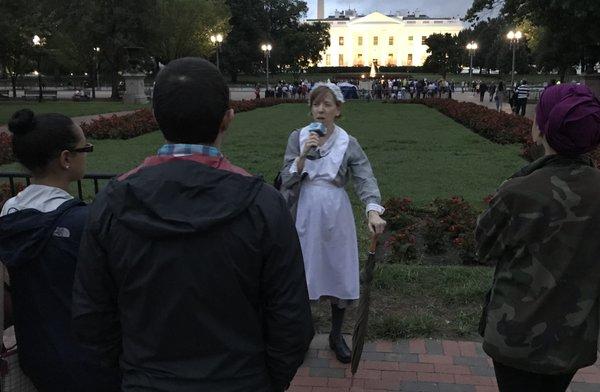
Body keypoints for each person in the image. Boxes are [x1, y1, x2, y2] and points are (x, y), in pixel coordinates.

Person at [71, 57, 314, 392]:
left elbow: (92, 318)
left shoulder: (110, 204)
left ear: (156, 117)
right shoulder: (264, 206)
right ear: (228, 118)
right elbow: (292, 322)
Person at [476, 84, 600, 392]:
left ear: (541, 129)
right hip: (574, 336)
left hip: (515, 336)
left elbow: (483, 245)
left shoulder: (520, 190)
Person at [0, 109, 120, 392]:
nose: (87, 154)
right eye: (85, 148)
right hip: (88, 360)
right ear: (66, 158)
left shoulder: (9, 212)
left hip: (37, 354)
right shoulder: (82, 222)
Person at [279, 82, 386, 363]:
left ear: (338, 110)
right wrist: (302, 155)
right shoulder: (298, 137)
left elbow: (365, 177)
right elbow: (286, 179)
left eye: (327, 105)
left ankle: (336, 335)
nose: (320, 109)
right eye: (316, 104)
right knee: (304, 273)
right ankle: (304, 334)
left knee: (339, 271)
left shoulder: (347, 143)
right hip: (305, 212)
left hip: (336, 213)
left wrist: (372, 210)